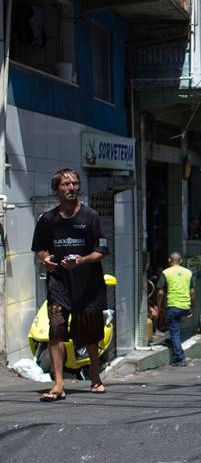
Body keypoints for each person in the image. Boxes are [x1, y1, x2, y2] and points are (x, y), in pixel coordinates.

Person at [31, 168, 109, 400]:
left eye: (74, 183)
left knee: (91, 334)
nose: (71, 188)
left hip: (88, 286)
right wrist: (45, 259)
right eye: (65, 184)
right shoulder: (47, 220)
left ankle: (95, 377)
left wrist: (81, 260)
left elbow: (102, 250)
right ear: (57, 189)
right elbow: (40, 249)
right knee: (56, 331)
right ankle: (58, 384)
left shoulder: (90, 217)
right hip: (59, 286)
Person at [157, 252, 195, 366]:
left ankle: (180, 358)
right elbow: (192, 292)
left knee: (174, 332)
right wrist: (191, 307)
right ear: (181, 261)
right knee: (177, 328)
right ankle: (175, 346)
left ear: (169, 260)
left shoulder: (166, 272)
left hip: (173, 306)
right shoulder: (188, 273)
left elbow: (160, 292)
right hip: (185, 306)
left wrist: (159, 307)